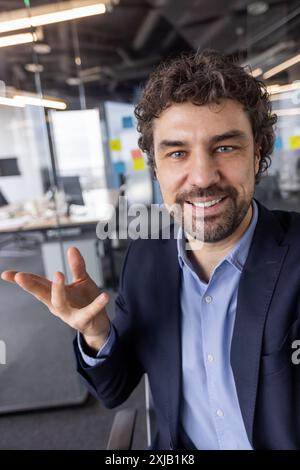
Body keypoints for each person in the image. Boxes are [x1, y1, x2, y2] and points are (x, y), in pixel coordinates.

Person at [2, 49, 300, 450]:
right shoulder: (147, 259)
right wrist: (96, 333)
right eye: (177, 153)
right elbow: (114, 390)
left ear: (259, 151)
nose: (202, 177)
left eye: (225, 147)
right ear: (156, 167)